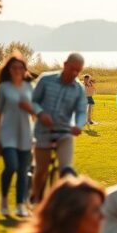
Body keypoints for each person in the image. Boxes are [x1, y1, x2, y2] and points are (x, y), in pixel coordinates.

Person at [30, 52, 87, 204]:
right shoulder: (46, 79)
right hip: (43, 131)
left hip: (64, 133)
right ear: (65, 64)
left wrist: (78, 125)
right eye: (72, 69)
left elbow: (81, 112)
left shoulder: (79, 89)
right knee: (41, 170)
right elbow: (33, 102)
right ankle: (35, 197)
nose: (75, 73)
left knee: (66, 170)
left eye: (78, 70)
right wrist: (41, 114)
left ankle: (61, 204)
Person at [0, 53, 36, 217]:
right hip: (7, 134)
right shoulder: (3, 87)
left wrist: (30, 110)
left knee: (23, 171)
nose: (18, 70)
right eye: (14, 67)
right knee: (11, 166)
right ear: (8, 69)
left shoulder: (29, 87)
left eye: (21, 67)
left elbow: (35, 112)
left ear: (25, 69)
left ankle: (19, 205)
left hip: (26, 133)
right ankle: (4, 199)